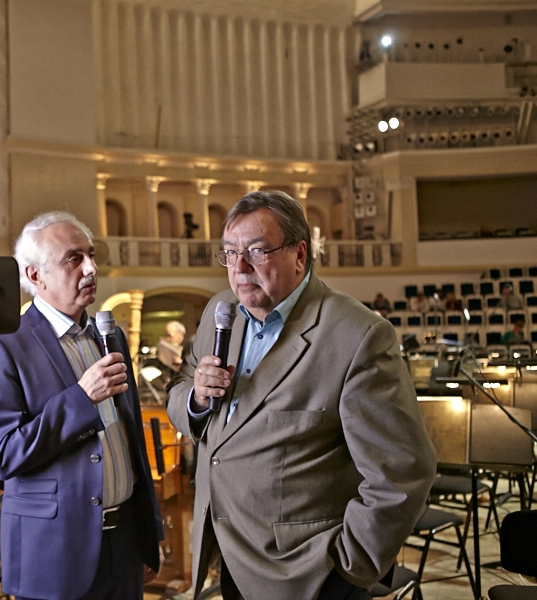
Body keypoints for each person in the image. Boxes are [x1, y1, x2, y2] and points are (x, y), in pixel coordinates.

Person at [167, 190, 437, 600]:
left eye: (256, 251)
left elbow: (403, 471)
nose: (239, 268)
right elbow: (181, 390)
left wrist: (349, 568)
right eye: (230, 253)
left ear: (299, 254)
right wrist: (198, 400)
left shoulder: (357, 335)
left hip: (309, 574)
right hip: (230, 557)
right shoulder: (219, 312)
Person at [0, 211, 163, 600]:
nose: (91, 268)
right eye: (73, 259)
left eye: (91, 255)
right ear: (35, 276)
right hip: (54, 553)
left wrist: (149, 534)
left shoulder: (110, 336)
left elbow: (131, 444)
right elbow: (3, 456)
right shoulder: (4, 343)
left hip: (124, 543)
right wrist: (81, 398)